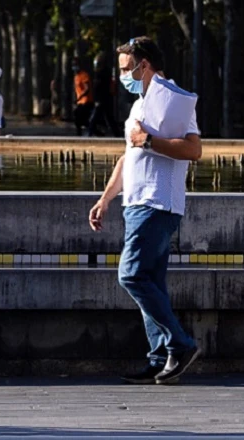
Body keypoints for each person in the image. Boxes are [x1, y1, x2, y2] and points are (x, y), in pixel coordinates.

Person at [88, 36, 202, 385]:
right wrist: (106, 198)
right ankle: (159, 357)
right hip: (136, 202)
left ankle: (180, 345)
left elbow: (194, 150)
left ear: (145, 65)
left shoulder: (172, 100)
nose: (123, 76)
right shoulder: (140, 105)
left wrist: (149, 141)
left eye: (127, 69)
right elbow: (128, 155)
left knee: (131, 275)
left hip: (157, 202)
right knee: (151, 282)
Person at [88, 52, 121, 136]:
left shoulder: (103, 72)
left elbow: (100, 87)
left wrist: (97, 99)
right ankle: (116, 133)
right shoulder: (100, 73)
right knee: (109, 118)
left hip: (103, 99)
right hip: (104, 98)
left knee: (95, 118)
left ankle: (90, 133)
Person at [73, 59, 94, 136]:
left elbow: (87, 88)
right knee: (79, 119)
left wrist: (80, 97)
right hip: (80, 101)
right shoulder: (76, 76)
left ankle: (88, 131)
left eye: (75, 65)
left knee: (80, 118)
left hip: (86, 101)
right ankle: (82, 133)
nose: (74, 67)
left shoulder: (84, 75)